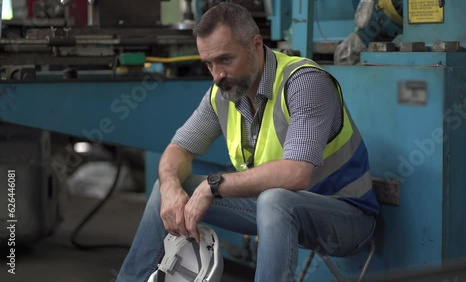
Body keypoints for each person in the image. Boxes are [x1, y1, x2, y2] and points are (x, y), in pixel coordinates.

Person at [116, 3, 379, 282]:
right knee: (167, 186)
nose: (216, 75)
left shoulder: (304, 83)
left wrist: (213, 186)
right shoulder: (224, 93)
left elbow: (297, 173)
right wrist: (170, 188)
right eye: (209, 64)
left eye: (225, 60)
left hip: (346, 219)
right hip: (274, 211)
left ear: (256, 45)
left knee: (274, 200)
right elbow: (178, 150)